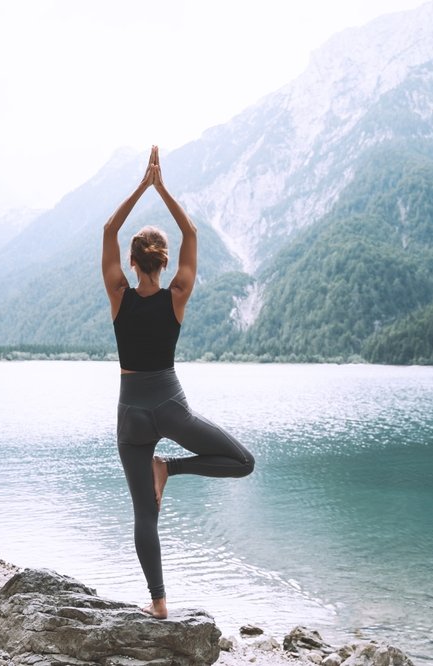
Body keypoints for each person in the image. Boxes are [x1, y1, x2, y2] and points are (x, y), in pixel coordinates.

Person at [101, 145, 255, 620]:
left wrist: (141, 186)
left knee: (144, 517)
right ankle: (172, 469)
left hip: (131, 415)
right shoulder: (178, 296)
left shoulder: (118, 295)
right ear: (165, 263)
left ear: (131, 263)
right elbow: (190, 230)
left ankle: (159, 603)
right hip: (170, 405)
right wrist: (162, 188)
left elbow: (108, 228)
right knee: (242, 462)